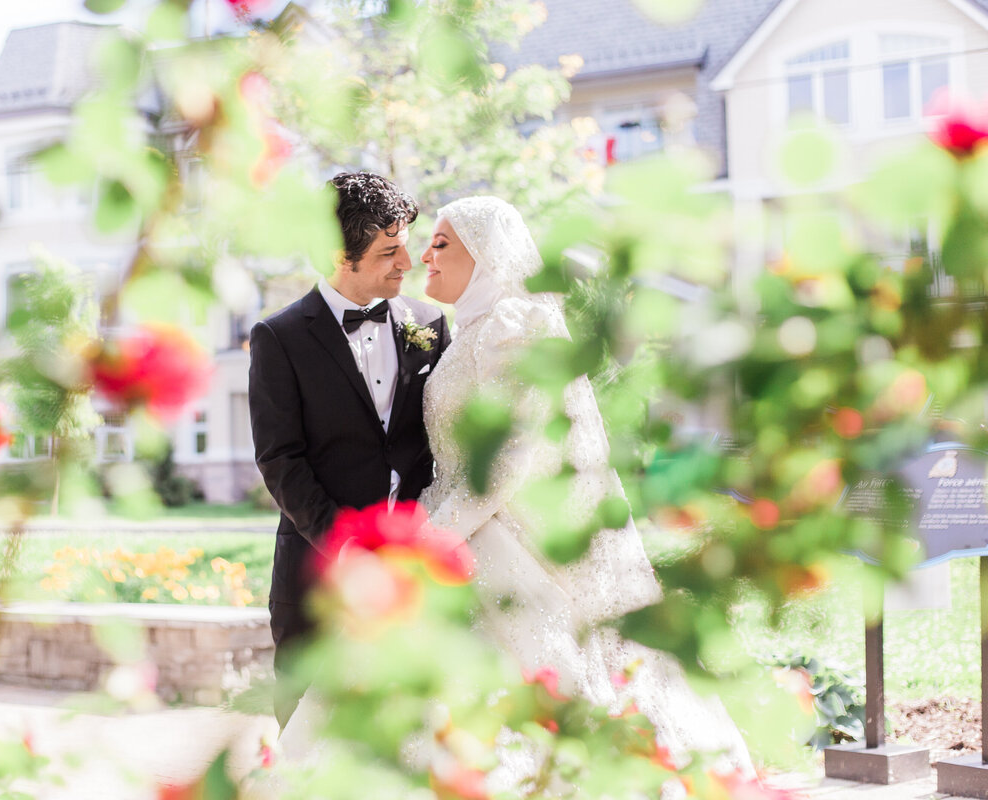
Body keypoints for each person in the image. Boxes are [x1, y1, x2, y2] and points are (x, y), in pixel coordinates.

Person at [418, 196, 753, 784]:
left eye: (442, 243)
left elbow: (511, 457)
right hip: (470, 533)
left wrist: (433, 536)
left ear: (487, 255)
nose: (426, 254)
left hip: (501, 542)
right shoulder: (465, 333)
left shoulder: (511, 326)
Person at [248, 172, 451, 731]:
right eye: (389, 251)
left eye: (405, 245)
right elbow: (279, 460)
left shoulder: (430, 325)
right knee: (305, 729)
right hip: (316, 569)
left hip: (412, 569)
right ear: (342, 254)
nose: (406, 263)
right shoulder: (278, 337)